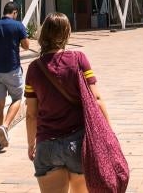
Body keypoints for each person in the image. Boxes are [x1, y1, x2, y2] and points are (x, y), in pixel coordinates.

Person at [25, 12, 113, 193]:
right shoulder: (79, 59)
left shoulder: (34, 68)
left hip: (46, 145)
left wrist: (31, 144)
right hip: (78, 144)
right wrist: (108, 134)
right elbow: (96, 99)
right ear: (67, 33)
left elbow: (31, 114)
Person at [0, 1, 31, 148]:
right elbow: (26, 46)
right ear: (15, 12)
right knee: (17, 98)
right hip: (12, 69)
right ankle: (4, 126)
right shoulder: (18, 26)